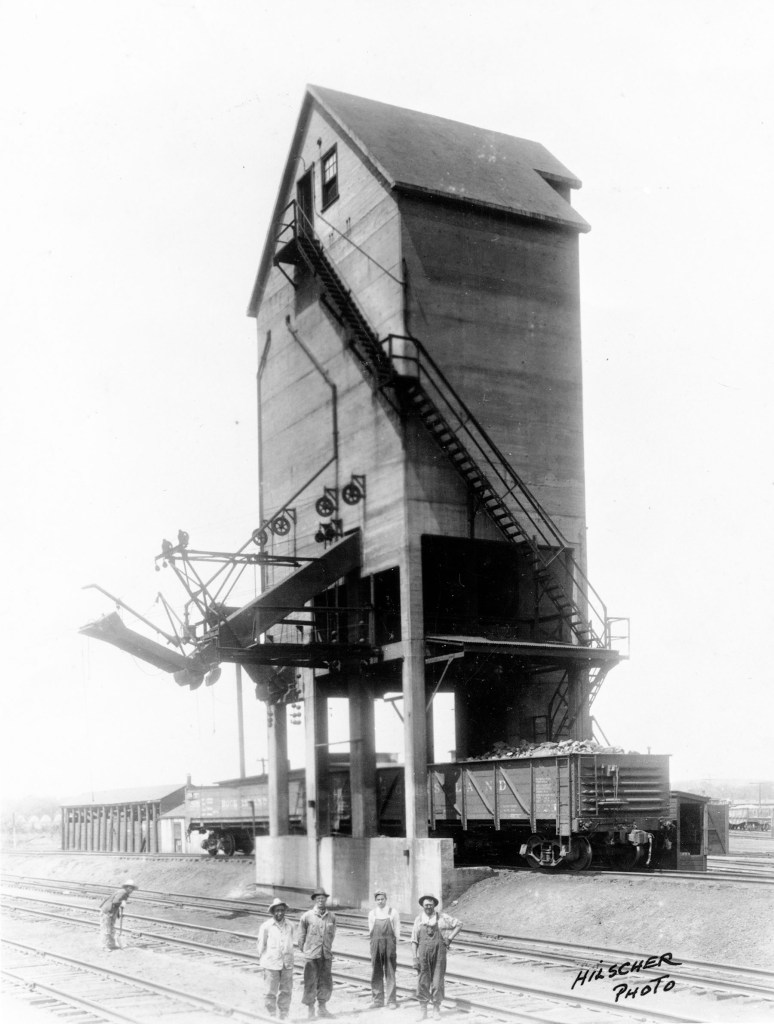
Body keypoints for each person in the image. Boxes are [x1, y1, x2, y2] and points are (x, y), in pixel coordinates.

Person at [410, 895, 462, 1020]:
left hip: (439, 955)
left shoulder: (442, 917)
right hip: (423, 955)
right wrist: (414, 958)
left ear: (434, 905)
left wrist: (449, 939)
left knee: (437, 983)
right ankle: (423, 1010)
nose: (428, 906)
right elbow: (414, 941)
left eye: (431, 904)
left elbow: (459, 924)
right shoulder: (418, 919)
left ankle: (436, 1009)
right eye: (426, 904)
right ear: (423, 906)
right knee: (423, 982)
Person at [298, 889, 337, 1019]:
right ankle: (310, 1010)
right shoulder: (307, 916)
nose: (321, 901)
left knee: (325, 982)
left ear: (326, 900)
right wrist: (307, 950)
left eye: (323, 898)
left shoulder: (331, 916)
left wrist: (327, 947)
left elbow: (332, 935)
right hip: (311, 955)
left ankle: (322, 1008)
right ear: (315, 900)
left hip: (325, 955)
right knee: (310, 982)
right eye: (318, 898)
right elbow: (301, 936)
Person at [257, 897, 295, 1019]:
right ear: (273, 912)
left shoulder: (290, 925)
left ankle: (283, 1016)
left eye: (282, 910)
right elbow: (261, 945)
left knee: (286, 991)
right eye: (277, 910)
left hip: (287, 964)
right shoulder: (266, 926)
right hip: (271, 964)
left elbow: (291, 941)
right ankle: (271, 1016)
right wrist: (265, 961)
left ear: (285, 911)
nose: (279, 913)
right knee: (270, 992)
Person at [368, 889, 401, 1009]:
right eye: (378, 899)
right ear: (375, 901)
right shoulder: (372, 913)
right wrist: (373, 945)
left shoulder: (393, 912)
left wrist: (394, 945)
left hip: (389, 945)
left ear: (386, 899)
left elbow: (397, 930)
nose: (380, 901)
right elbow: (371, 931)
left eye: (382, 899)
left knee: (390, 972)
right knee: (376, 971)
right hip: (376, 944)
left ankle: (391, 1001)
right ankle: (378, 1000)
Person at [99, 879, 137, 951]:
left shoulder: (124, 893)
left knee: (111, 928)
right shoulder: (122, 892)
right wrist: (122, 903)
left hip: (112, 911)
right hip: (107, 911)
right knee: (106, 929)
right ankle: (104, 946)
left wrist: (122, 904)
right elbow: (116, 901)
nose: (132, 890)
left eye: (133, 889)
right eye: (131, 888)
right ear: (127, 887)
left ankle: (111, 944)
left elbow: (117, 902)